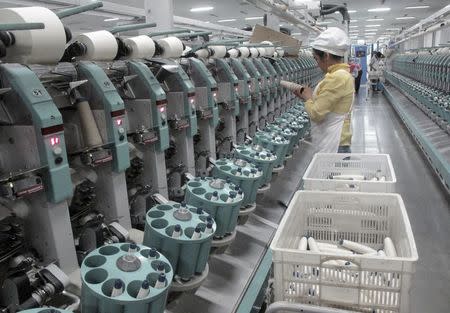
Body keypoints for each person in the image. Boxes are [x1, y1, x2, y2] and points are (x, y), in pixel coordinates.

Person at [294, 27, 354, 153]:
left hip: (334, 143)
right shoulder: (339, 75)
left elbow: (316, 114)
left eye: (316, 59)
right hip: (333, 141)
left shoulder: (338, 78)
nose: (317, 64)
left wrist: (308, 98)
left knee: (330, 173)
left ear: (326, 56)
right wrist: (307, 97)